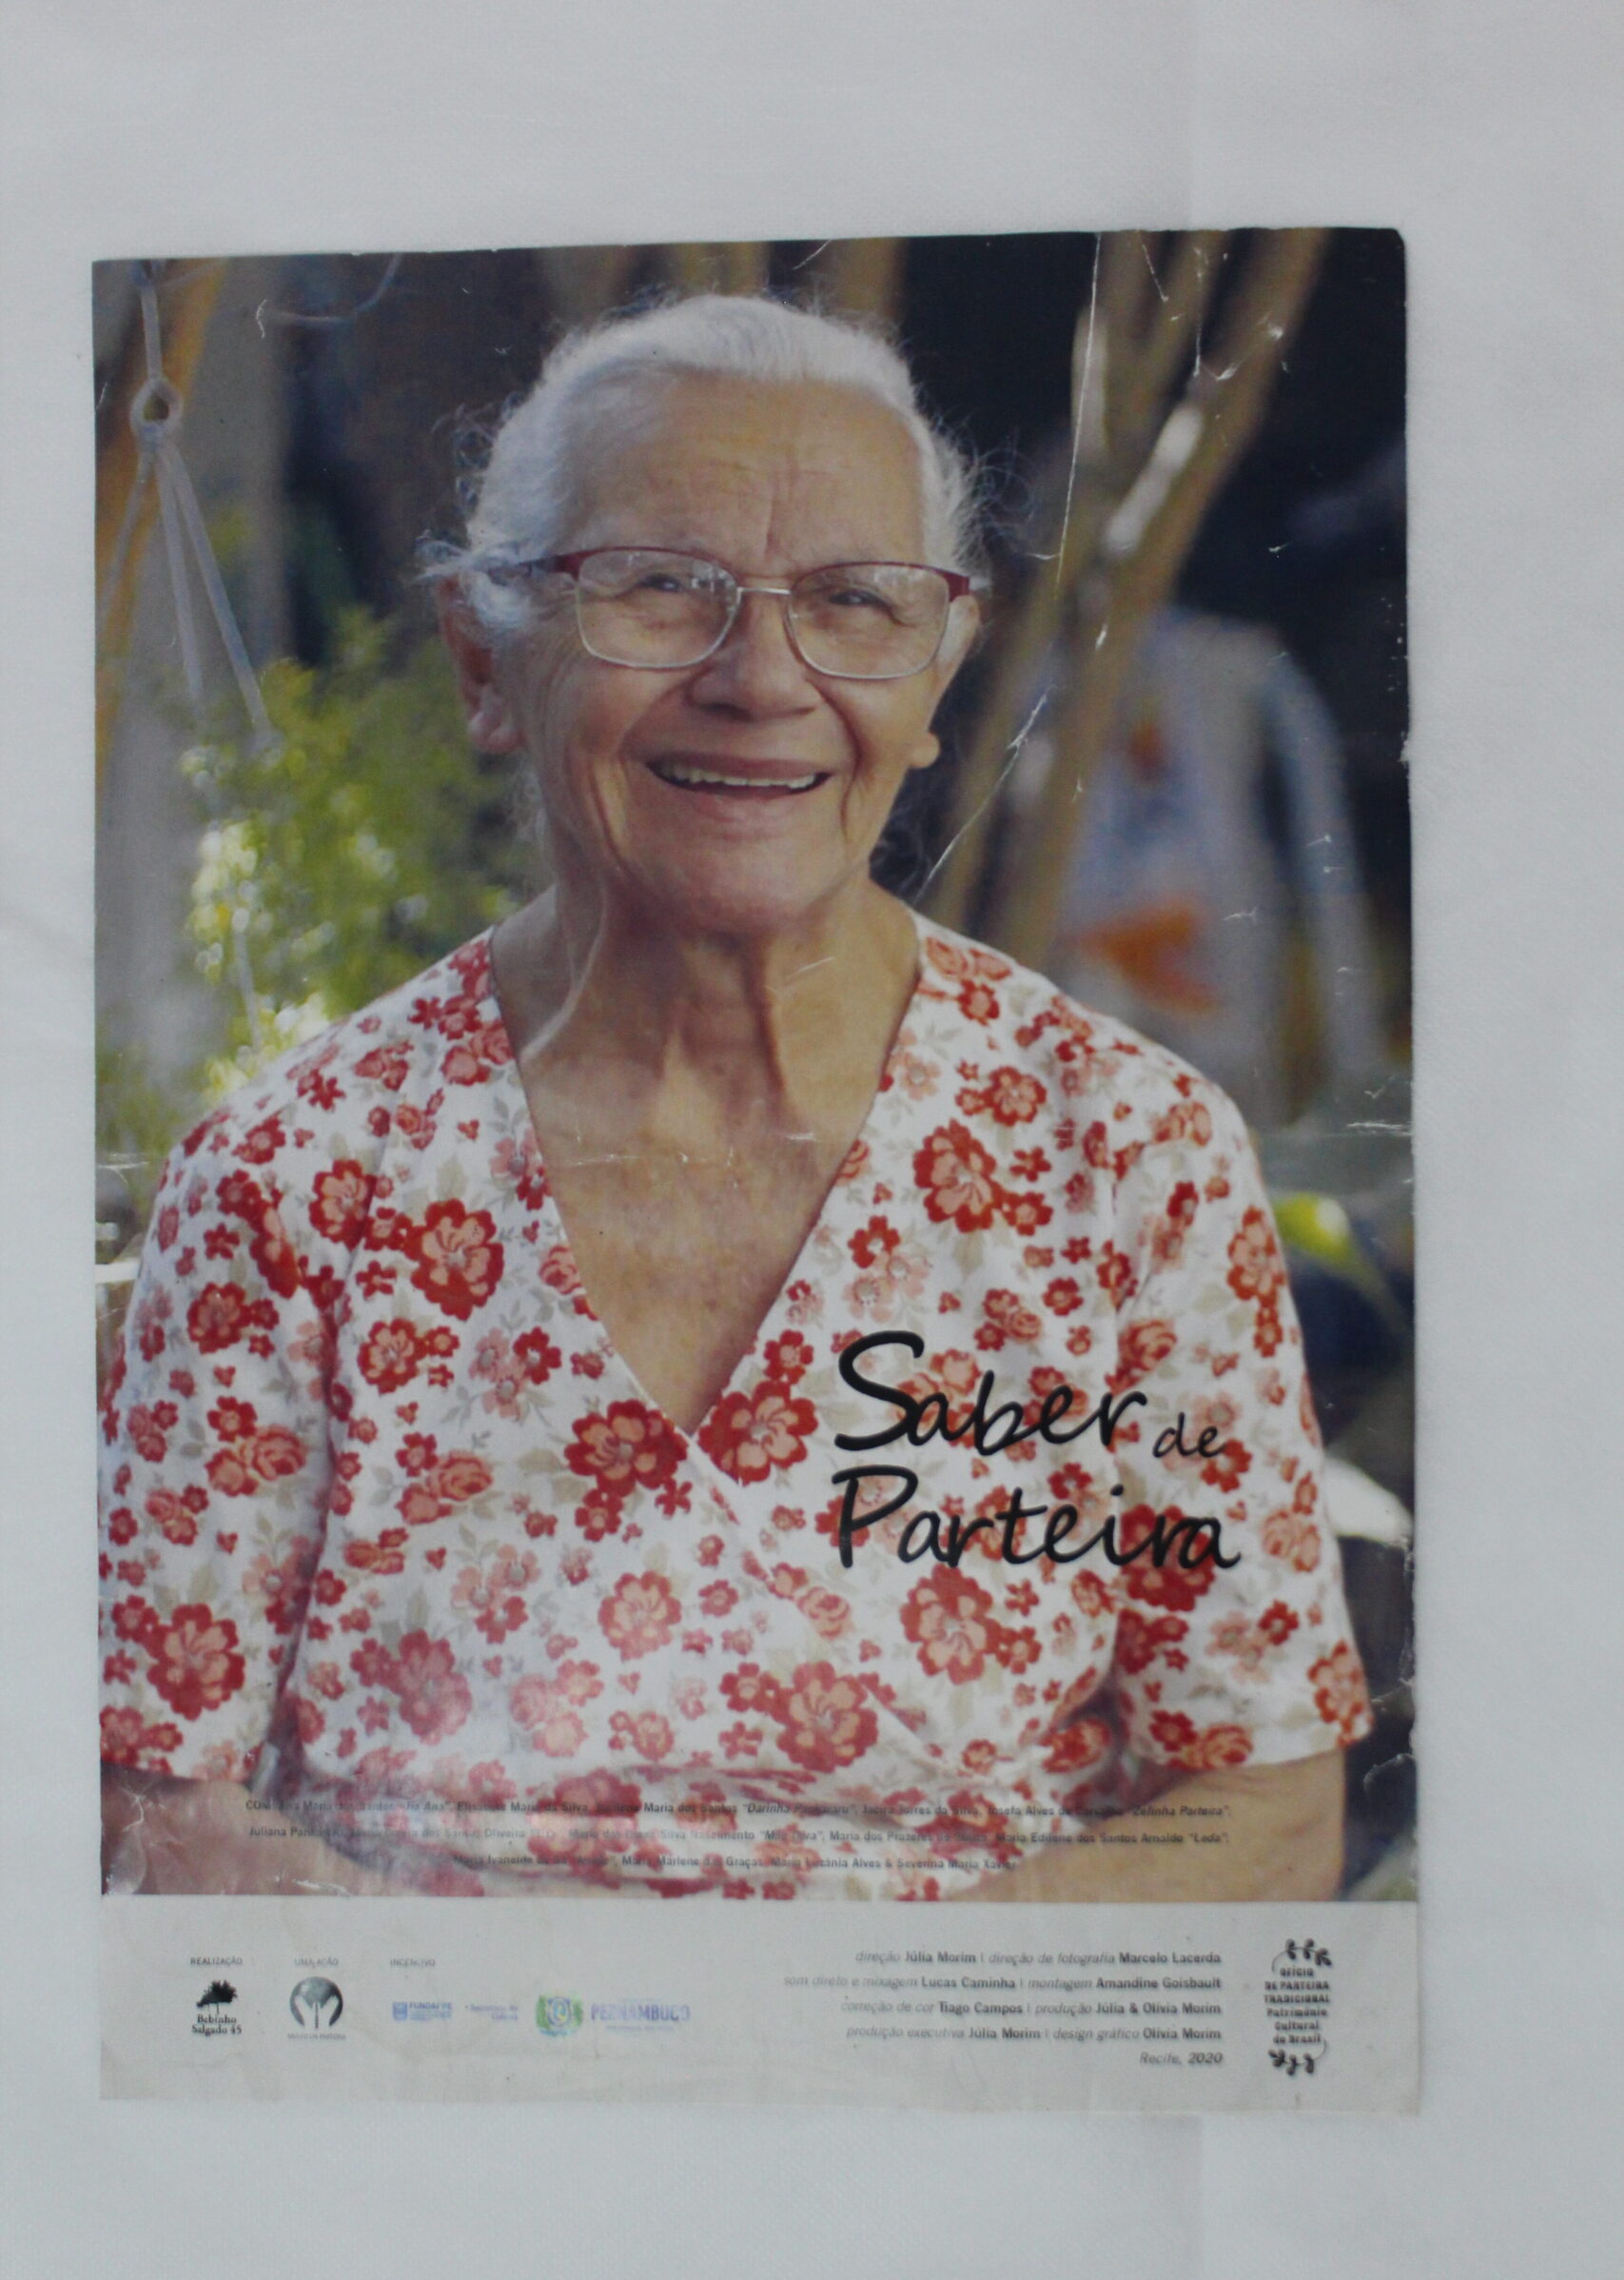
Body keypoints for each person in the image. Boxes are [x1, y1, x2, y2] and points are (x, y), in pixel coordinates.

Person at [100, 293, 1371, 1901]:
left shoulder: (1126, 1158)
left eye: (854, 602)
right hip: (437, 2055)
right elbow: (157, 1796)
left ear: (934, 678)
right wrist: (490, 2030)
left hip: (966, 2050)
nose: (763, 677)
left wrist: (872, 2026)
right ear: (484, 661)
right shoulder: (296, 1178)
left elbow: (1262, 1798)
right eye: (658, 588)